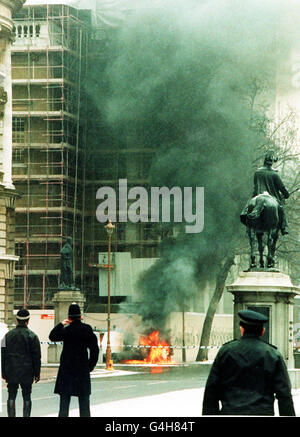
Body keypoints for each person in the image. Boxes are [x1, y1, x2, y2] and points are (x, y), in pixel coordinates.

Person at [202, 309, 295, 416]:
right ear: (262, 331)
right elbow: (284, 394)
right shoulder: (273, 355)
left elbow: (211, 390)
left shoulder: (225, 352)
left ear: (242, 329)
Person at [49, 302, 99, 417]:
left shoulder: (66, 330)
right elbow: (94, 350)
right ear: (80, 316)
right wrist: (89, 366)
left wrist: (61, 324)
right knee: (84, 403)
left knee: (64, 403)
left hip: (66, 369)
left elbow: (52, 336)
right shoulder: (87, 330)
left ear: (69, 317)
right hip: (82, 369)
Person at [1, 309, 41, 417]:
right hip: (27, 371)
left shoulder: (7, 336)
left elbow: (3, 354)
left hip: (11, 370)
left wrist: (3, 372)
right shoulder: (33, 336)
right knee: (27, 396)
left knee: (11, 395)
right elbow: (36, 357)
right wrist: (37, 373)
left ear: (17, 320)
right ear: (28, 320)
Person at [252, 150, 290, 235]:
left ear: (264, 161)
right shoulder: (274, 174)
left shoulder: (257, 172)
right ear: (272, 162)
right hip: (272, 197)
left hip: (258, 196)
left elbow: (255, 186)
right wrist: (286, 195)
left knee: (248, 207)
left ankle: (247, 222)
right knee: (281, 210)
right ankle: (283, 227)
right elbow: (282, 188)